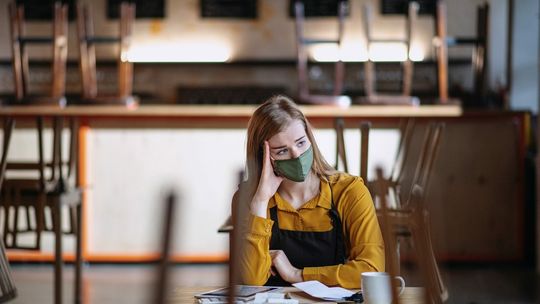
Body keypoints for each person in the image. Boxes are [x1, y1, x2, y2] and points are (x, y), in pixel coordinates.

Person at [232, 95, 384, 288]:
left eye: (301, 142)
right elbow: (252, 281)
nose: (297, 155)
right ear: (264, 157)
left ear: (310, 139)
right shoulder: (247, 199)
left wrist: (297, 275)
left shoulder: (350, 191)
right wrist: (260, 202)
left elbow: (372, 269)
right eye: (282, 151)